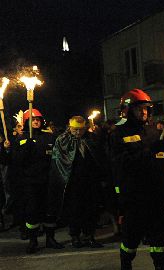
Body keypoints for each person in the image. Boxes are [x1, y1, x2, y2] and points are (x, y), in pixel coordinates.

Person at [110, 88, 164, 270]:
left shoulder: (154, 133)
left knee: (159, 238)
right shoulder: (118, 134)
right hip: (134, 196)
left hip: (155, 195)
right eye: (139, 109)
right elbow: (122, 164)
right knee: (131, 238)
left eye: (146, 109)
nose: (144, 113)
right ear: (127, 110)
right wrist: (148, 152)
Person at [48, 116, 107, 248]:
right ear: (70, 127)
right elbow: (58, 161)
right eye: (75, 130)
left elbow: (100, 157)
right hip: (73, 181)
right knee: (75, 210)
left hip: (90, 180)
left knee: (91, 209)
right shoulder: (62, 140)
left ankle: (89, 236)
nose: (78, 133)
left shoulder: (91, 138)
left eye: (81, 130)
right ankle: (75, 236)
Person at [14, 108, 63, 253]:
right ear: (27, 122)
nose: (36, 122)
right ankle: (33, 241)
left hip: (48, 180)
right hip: (30, 182)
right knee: (32, 212)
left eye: (38, 120)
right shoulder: (21, 139)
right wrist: (25, 148)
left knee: (50, 211)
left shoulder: (49, 137)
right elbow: (16, 161)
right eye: (33, 120)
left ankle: (50, 239)